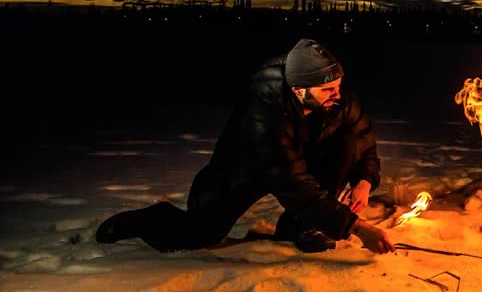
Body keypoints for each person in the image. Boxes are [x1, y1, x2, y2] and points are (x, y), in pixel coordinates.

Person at [96, 39, 394, 254]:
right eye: (328, 89)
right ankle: (146, 220)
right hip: (248, 167)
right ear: (299, 90)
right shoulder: (264, 110)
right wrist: (356, 227)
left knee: (347, 143)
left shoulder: (337, 99)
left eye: (339, 86)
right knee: (199, 235)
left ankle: (300, 227)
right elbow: (290, 181)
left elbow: (364, 139)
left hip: (298, 160)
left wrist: (365, 181)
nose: (338, 95)